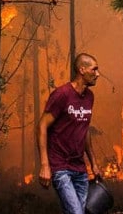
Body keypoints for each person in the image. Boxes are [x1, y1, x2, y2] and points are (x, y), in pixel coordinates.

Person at [38, 52, 102, 214]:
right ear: (82, 70)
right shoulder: (62, 95)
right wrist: (45, 165)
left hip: (80, 168)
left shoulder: (89, 97)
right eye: (94, 70)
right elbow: (41, 126)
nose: (97, 74)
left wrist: (93, 163)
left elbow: (84, 129)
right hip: (61, 166)